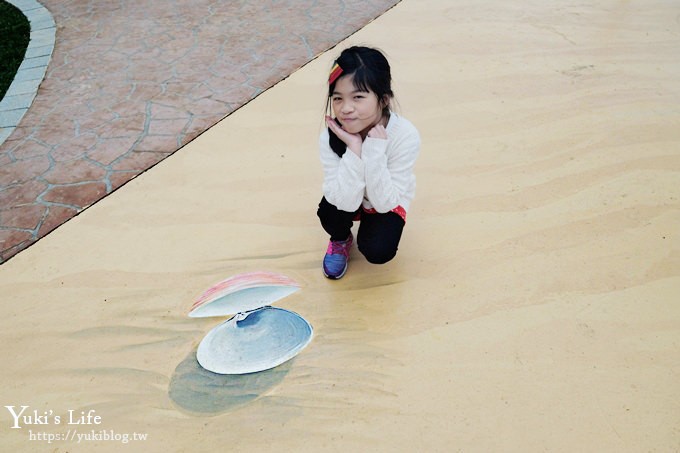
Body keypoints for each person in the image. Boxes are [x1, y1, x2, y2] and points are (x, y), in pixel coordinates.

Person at [317, 46, 421, 279]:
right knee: (329, 213)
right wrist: (354, 149)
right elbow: (344, 201)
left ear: (383, 99)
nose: (345, 109)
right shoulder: (331, 136)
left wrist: (374, 150)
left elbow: (385, 203)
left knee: (378, 250)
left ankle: (366, 232)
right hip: (349, 197)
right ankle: (341, 239)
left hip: (386, 198)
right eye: (337, 98)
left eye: (358, 97)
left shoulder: (404, 135)